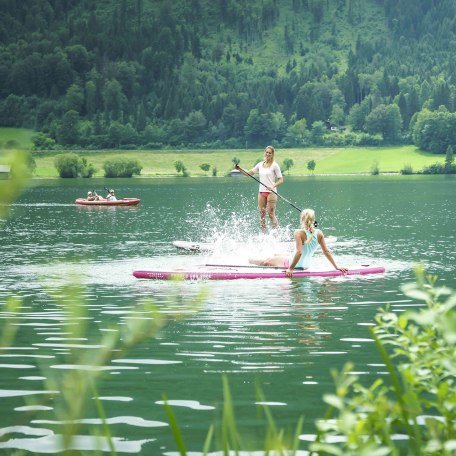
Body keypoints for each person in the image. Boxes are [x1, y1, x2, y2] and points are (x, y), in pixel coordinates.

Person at [249, 208, 348, 277]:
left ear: (302, 219)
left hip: (294, 265)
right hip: (306, 266)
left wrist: (290, 269)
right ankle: (276, 256)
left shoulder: (298, 233)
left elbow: (299, 252)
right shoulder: (319, 233)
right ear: (313, 220)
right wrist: (336, 266)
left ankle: (249, 260)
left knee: (267, 261)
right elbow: (326, 251)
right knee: (278, 254)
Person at [240, 145, 283, 233]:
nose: (268, 154)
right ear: (264, 152)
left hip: (271, 192)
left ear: (272, 154)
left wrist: (273, 186)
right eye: (266, 152)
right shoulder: (260, 164)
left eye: (270, 153)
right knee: (262, 215)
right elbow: (248, 173)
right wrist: (239, 169)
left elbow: (281, 180)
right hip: (261, 192)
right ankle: (263, 235)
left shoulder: (275, 165)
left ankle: (277, 234)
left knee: (271, 214)